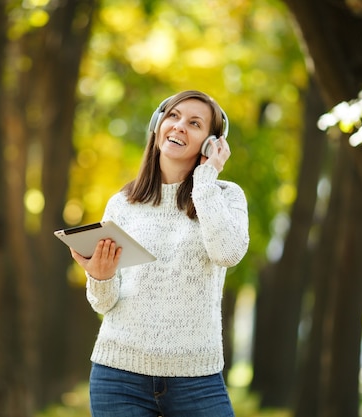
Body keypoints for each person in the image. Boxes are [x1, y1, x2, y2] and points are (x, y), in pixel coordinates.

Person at [70, 90, 249, 417]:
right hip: (118, 375)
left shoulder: (225, 196)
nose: (179, 126)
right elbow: (103, 303)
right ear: (158, 125)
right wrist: (100, 275)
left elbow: (228, 253)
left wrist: (206, 178)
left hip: (197, 379)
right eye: (173, 116)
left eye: (194, 123)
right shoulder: (123, 203)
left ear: (212, 143)